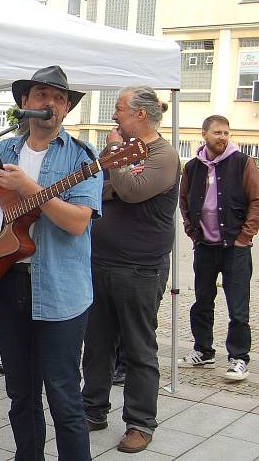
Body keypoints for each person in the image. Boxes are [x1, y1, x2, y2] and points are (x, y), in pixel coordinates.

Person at [0, 66, 101, 460]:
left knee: (63, 394)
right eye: (43, 94)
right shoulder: (3, 151)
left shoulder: (83, 157)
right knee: (20, 392)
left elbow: (77, 222)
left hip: (60, 291)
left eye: (60, 98)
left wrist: (31, 190)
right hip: (8, 283)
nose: (51, 103)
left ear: (66, 110)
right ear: (25, 103)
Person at [81, 87, 180, 453]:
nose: (114, 116)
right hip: (100, 260)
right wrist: (117, 181)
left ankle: (140, 422)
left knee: (138, 348)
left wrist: (118, 166)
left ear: (140, 114)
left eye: (119, 110)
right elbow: (98, 188)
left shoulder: (165, 155)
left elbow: (134, 191)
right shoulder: (121, 150)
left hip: (141, 267)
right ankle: (92, 409)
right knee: (97, 343)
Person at [178, 115, 258, 381]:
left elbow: (256, 201)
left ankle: (238, 358)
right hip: (205, 247)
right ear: (204, 134)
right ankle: (203, 350)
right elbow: (184, 202)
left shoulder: (243, 163)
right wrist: (192, 231)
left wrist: (244, 237)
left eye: (226, 132)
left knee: (238, 307)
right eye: (217, 133)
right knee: (201, 302)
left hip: (235, 248)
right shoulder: (192, 167)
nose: (223, 137)